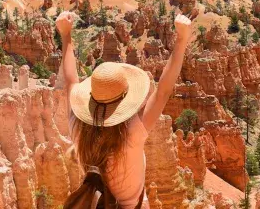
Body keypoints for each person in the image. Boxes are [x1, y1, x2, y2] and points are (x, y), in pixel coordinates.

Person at [56, 11, 192, 209]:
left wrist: (66, 35)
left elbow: (70, 82)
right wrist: (181, 40)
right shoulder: (131, 131)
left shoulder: (78, 125)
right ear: (124, 101)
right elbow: (163, 91)